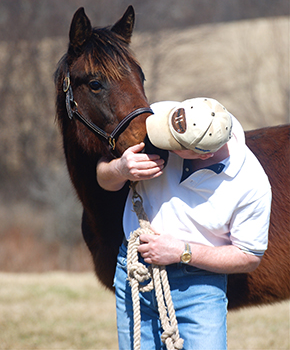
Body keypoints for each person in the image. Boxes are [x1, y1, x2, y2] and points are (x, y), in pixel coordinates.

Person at [97, 97, 271, 350]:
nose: (159, 136)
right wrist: (120, 169)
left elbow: (249, 256)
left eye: (173, 142)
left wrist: (182, 252)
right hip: (135, 271)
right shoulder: (161, 115)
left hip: (199, 287)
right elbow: (102, 177)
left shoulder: (252, 185)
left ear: (205, 153)